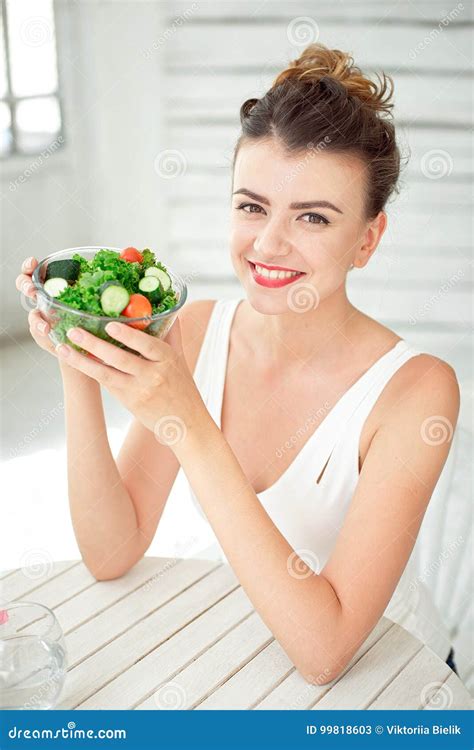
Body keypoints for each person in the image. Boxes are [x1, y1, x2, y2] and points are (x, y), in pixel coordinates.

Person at [16, 43, 460, 684]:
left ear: (367, 239)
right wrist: (74, 346)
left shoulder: (418, 391)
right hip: (251, 647)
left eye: (312, 216)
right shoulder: (196, 331)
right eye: (252, 206)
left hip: (391, 678)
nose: (269, 243)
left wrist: (190, 424)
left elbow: (326, 652)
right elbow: (112, 552)